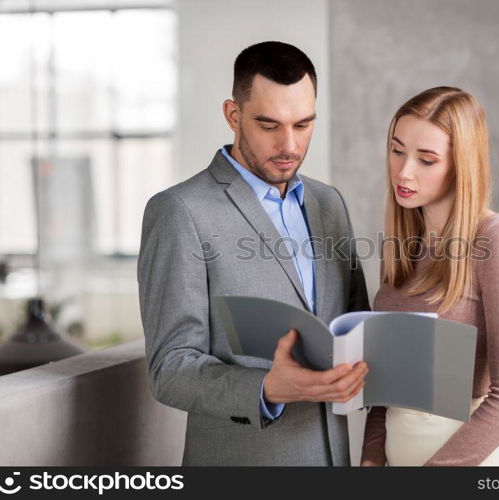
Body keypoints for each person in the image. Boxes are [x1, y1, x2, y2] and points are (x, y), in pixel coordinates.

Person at [137, 41, 369, 466]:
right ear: (233, 115)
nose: (289, 145)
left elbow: (353, 328)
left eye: (303, 125)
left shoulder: (328, 203)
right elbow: (169, 369)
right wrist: (266, 388)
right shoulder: (179, 211)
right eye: (269, 125)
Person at [360, 87, 499, 466]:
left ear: (461, 165)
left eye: (426, 159)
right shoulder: (404, 244)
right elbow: (386, 387)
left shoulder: (498, 239)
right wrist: (370, 461)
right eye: (397, 150)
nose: (404, 172)